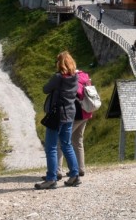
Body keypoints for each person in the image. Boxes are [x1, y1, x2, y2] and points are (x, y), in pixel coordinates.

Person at [36, 51, 81, 189]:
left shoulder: (58, 77)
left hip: (57, 115)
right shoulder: (75, 77)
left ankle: (51, 178)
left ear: (60, 63)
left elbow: (45, 89)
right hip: (70, 113)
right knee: (67, 144)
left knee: (51, 147)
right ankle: (74, 175)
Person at [55, 68, 95, 178]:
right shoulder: (83, 75)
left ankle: (57, 170)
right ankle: (80, 168)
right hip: (86, 111)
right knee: (78, 140)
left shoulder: (69, 77)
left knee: (60, 140)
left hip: (76, 114)